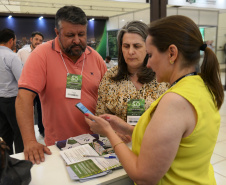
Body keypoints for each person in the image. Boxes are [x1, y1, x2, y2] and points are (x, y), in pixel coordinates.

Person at [85, 15, 224, 184]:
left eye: (150, 55)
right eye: (126, 46)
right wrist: (127, 129)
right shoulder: (201, 86)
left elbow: (144, 176)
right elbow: (171, 142)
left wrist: (108, 132)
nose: (148, 64)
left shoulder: (175, 101)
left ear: (172, 53)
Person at [15, 6, 107, 164]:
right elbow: (24, 98)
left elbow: (108, 96)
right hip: (60, 146)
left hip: (96, 141)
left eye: (81, 34)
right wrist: (30, 141)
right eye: (70, 35)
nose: (77, 40)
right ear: (57, 33)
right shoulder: (41, 55)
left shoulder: (95, 57)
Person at [96, 21, 168, 125]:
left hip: (155, 140)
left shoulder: (163, 76)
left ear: (149, 48)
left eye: (137, 46)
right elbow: (101, 116)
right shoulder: (111, 76)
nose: (130, 52)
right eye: (126, 46)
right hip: (117, 140)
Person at [0, 28, 24, 155]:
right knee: (18, 131)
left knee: (4, 132)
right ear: (11, 40)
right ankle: (20, 160)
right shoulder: (11, 56)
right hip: (12, 100)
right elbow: (22, 80)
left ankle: (6, 161)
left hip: (0, 100)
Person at [17, 31, 45, 137]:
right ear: (31, 39)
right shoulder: (22, 52)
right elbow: (17, 70)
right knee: (27, 110)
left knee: (41, 109)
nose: (38, 42)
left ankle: (42, 130)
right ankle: (28, 134)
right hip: (26, 87)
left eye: (40, 40)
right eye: (36, 39)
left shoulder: (43, 52)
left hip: (40, 87)